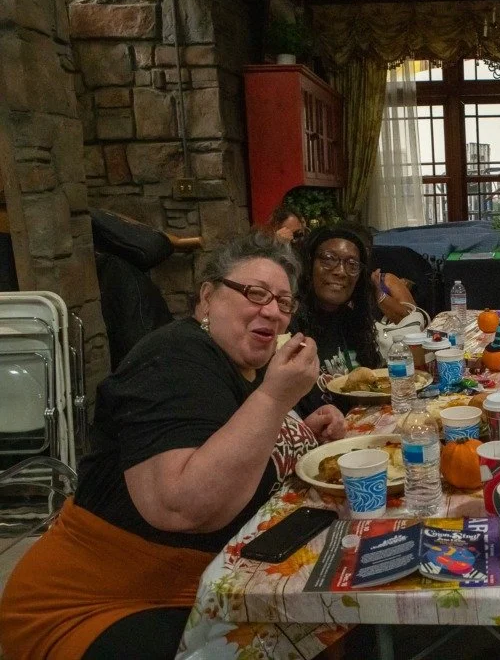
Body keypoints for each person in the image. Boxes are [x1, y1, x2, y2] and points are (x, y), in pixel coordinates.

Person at [0, 232, 350, 659]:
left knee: (339, 613)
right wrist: (276, 399)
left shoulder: (247, 367)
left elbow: (236, 446)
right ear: (206, 298)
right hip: (92, 605)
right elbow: (181, 506)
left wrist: (303, 431)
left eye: (283, 302)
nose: (272, 311)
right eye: (255, 293)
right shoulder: (175, 358)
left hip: (204, 584)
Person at [290, 226, 384, 414]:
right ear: (309, 266)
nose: (341, 272)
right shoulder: (290, 327)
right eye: (329, 259)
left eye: (352, 265)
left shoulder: (355, 323)